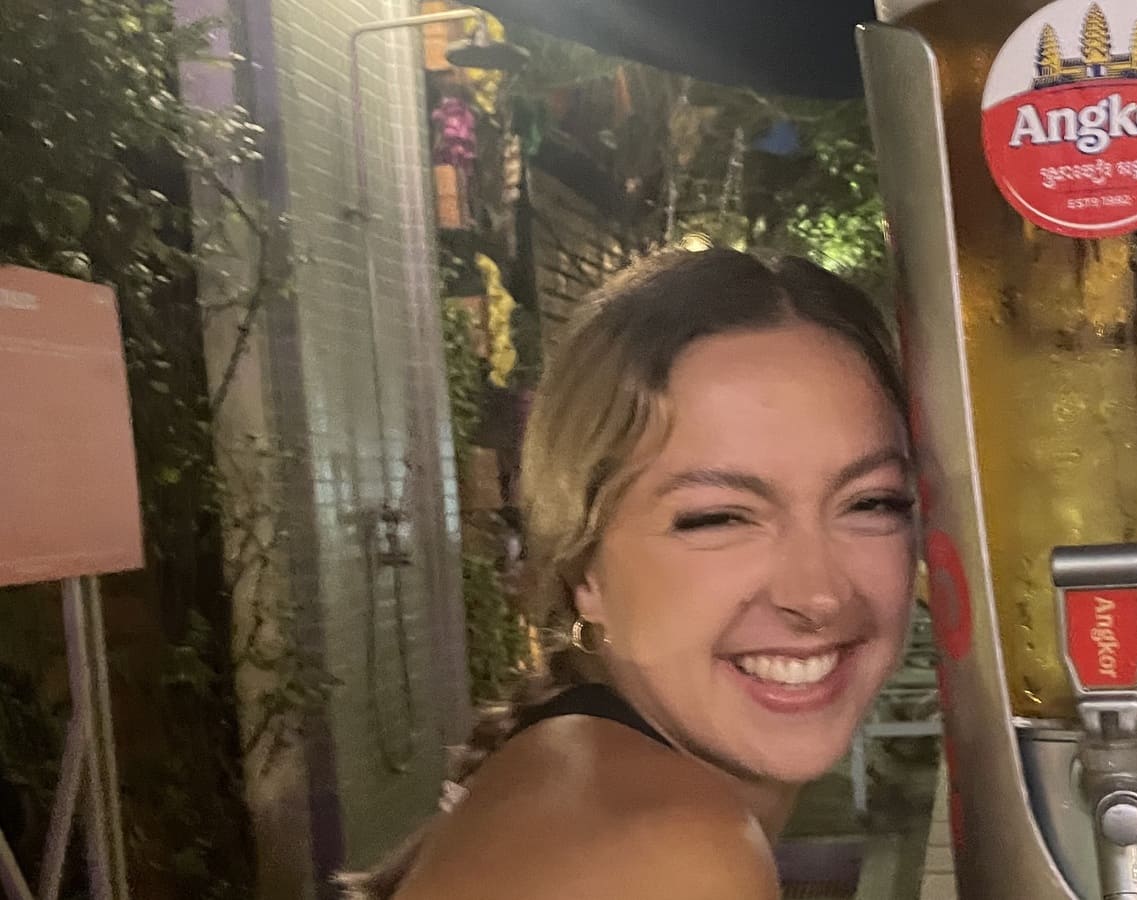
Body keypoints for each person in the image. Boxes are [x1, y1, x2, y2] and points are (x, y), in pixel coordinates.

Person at [340, 249, 918, 899]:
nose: (819, 594)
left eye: (872, 503)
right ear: (585, 567)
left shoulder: (576, 782)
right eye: (718, 519)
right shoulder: (670, 852)